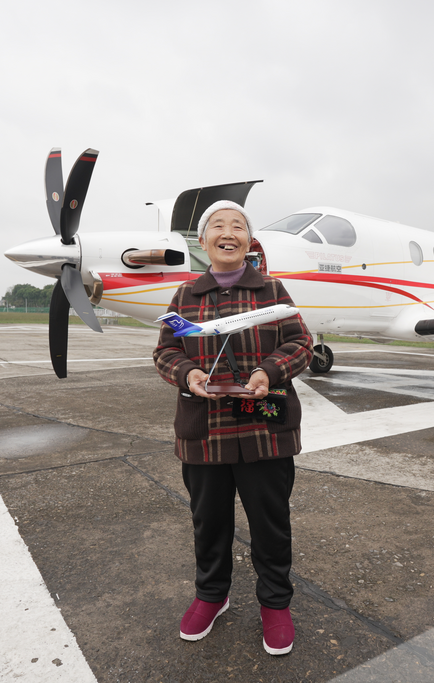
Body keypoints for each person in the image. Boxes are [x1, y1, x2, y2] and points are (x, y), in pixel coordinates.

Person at [153, 200, 313, 656]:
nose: (228, 232)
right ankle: (211, 595)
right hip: (205, 432)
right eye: (217, 226)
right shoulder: (185, 296)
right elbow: (165, 351)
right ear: (204, 243)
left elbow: (301, 342)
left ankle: (276, 603)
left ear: (248, 240)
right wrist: (189, 375)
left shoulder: (273, 291)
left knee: (271, 523)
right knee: (209, 522)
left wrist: (269, 371)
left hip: (265, 430)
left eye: (238, 226)